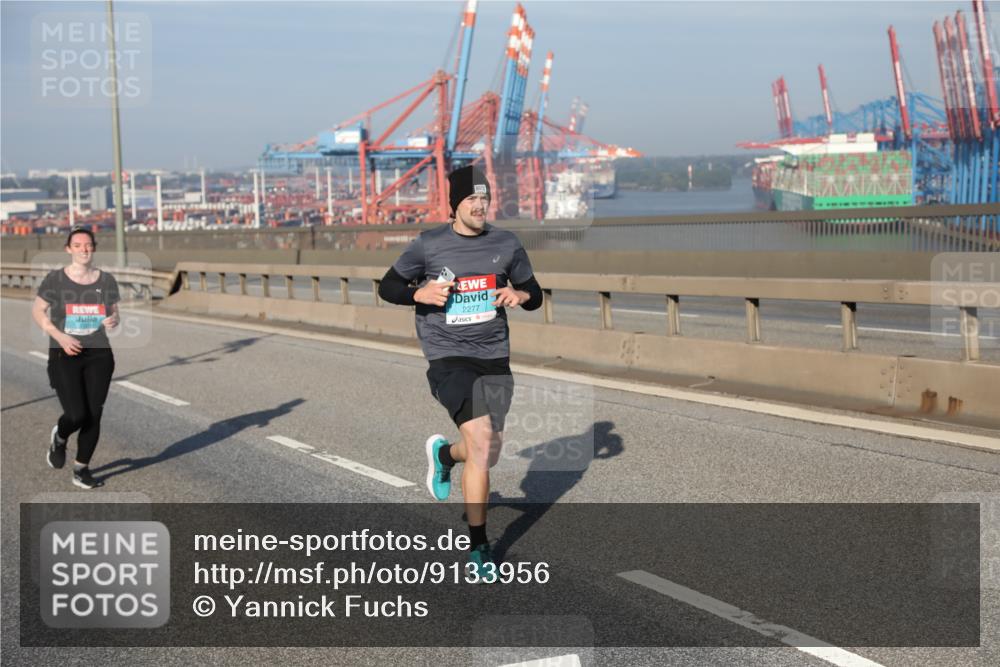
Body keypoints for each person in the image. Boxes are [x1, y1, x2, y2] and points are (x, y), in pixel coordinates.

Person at [378, 165, 543, 578]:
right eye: (471, 199)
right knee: (484, 443)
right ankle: (480, 547)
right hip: (447, 355)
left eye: (484, 199)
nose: (480, 206)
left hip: (494, 356)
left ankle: (444, 455)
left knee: (488, 450)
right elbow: (387, 287)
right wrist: (419, 291)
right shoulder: (429, 245)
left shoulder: (506, 243)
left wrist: (519, 293)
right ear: (454, 205)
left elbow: (535, 294)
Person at [32, 226, 120, 489]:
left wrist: (113, 320)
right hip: (65, 353)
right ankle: (59, 437)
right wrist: (59, 336)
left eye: (88, 244)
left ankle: (81, 469)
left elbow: (114, 314)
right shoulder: (56, 279)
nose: (84, 249)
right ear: (68, 249)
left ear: (94, 247)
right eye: (78, 245)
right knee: (76, 414)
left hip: (99, 354)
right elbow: (38, 311)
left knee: (94, 415)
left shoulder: (106, 280)